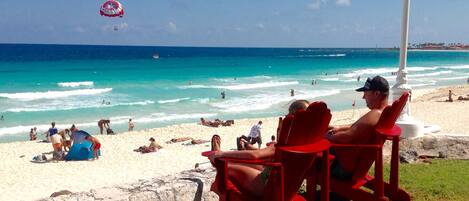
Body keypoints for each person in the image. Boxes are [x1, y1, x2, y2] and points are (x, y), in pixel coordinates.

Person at [208, 100, 310, 197]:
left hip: (267, 186)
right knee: (242, 162)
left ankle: (216, 155)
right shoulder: (308, 141)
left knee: (225, 166)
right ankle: (220, 154)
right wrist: (250, 147)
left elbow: (254, 156)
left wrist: (221, 154)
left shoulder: (286, 143)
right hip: (285, 185)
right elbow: (265, 154)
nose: (286, 116)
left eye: (288, 114)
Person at [325, 75, 390, 179]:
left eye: (366, 93)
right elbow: (358, 128)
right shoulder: (383, 114)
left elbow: (347, 137)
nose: (363, 97)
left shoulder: (375, 114)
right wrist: (339, 128)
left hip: (342, 168)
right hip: (356, 165)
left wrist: (326, 137)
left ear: (376, 93)